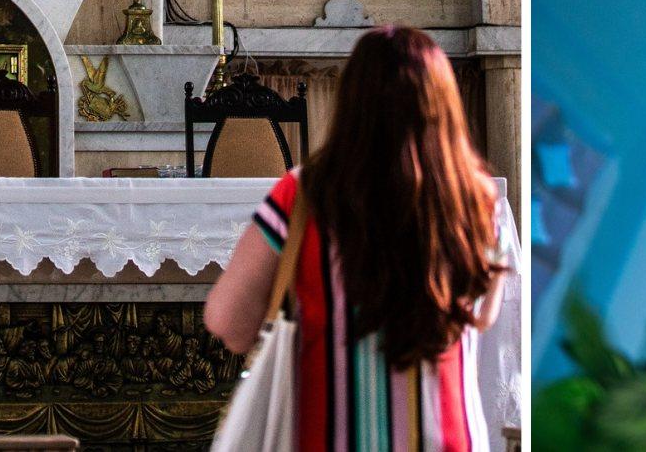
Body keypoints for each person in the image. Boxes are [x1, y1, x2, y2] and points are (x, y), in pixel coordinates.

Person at [206, 26, 510, 450]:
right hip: (446, 436)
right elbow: (482, 315)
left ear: (353, 104)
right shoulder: (478, 201)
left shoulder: (303, 196)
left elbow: (229, 324)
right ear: (443, 105)